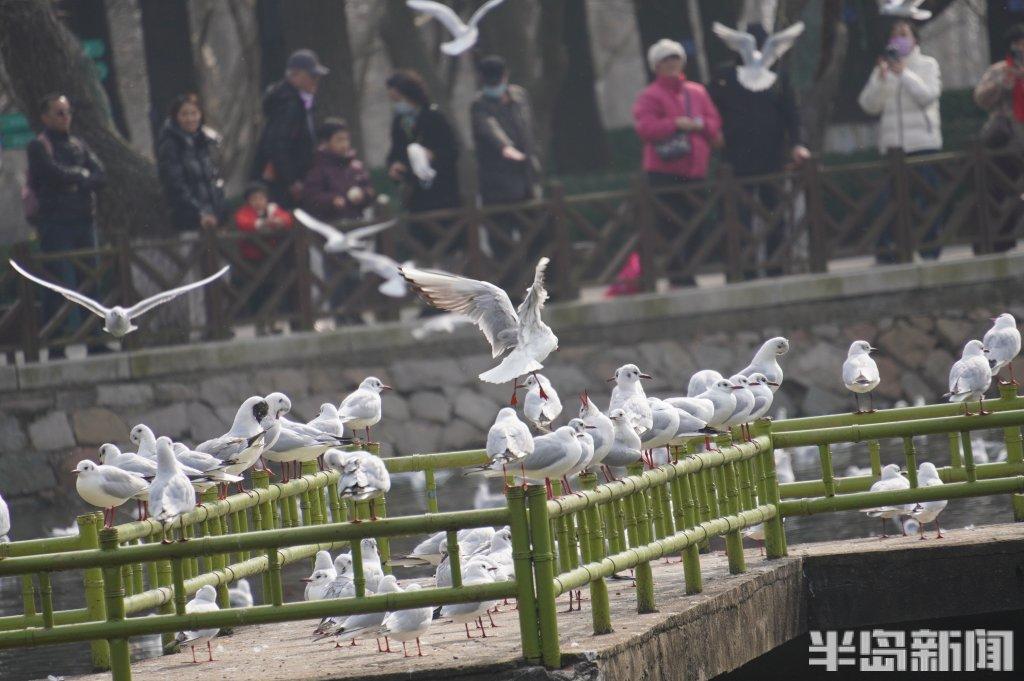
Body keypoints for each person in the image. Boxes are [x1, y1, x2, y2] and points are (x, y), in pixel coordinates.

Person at [709, 24, 810, 279]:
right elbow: (710, 108)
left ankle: (776, 267)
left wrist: (798, 144)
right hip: (737, 158)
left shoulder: (778, 78)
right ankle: (744, 271)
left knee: (774, 215)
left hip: (771, 156)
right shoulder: (725, 76)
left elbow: (792, 114)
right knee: (738, 218)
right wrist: (713, 132)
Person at [631, 38, 722, 287]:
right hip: (663, 171)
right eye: (665, 60)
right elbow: (645, 128)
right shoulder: (649, 96)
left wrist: (699, 125)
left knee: (697, 223)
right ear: (656, 66)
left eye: (675, 58)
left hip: (696, 170)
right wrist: (675, 124)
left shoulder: (697, 92)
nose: (671, 63)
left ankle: (688, 271)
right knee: (670, 226)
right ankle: (677, 276)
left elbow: (714, 121)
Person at [26, 93, 106, 359]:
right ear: (45, 117)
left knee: (91, 281)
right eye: (59, 113)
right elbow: (51, 173)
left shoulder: (79, 144)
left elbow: (100, 174)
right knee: (57, 283)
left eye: (68, 112)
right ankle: (56, 344)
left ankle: (95, 339)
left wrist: (79, 180)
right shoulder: (38, 146)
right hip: (55, 223)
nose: (65, 117)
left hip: (83, 220)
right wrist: (80, 176)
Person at [858, 20, 942, 262]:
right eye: (895, 35)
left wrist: (904, 73)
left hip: (922, 144)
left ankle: (929, 250)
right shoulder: (884, 68)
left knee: (926, 201)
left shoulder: (927, 64)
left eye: (904, 34)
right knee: (888, 203)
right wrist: (881, 79)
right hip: (893, 146)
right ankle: (888, 252)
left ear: (915, 39)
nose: (899, 39)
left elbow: (927, 96)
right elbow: (869, 105)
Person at [252, 49, 329, 207]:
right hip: (285, 186)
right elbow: (278, 144)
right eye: (312, 76)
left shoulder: (301, 101)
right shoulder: (288, 104)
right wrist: (292, 180)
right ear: (295, 75)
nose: (316, 80)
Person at [973, 23, 1024, 254]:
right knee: (1003, 189)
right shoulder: (1000, 70)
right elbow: (980, 99)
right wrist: (1003, 84)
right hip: (1006, 139)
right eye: (1017, 44)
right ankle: (1002, 238)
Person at [385, 70, 460, 214]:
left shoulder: (434, 117)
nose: (397, 105)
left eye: (398, 99)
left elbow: (452, 150)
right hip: (415, 195)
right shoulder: (399, 122)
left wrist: (433, 155)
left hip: (442, 193)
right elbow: (395, 152)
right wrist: (394, 165)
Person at [470, 55, 540, 206]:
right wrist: (504, 146)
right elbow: (488, 126)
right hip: (498, 185)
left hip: (528, 176)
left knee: (535, 216)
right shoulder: (479, 104)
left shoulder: (520, 96)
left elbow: (530, 126)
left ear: (505, 75)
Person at [156, 94, 226, 232]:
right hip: (188, 218)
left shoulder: (206, 141)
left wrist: (218, 211)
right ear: (176, 117)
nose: (190, 119)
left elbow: (214, 179)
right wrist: (199, 214)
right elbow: (175, 185)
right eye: (184, 114)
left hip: (213, 217)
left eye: (194, 113)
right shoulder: (170, 145)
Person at [234, 182, 294, 331]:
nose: (258, 202)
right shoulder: (244, 212)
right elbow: (243, 223)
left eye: (261, 198)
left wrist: (279, 222)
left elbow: (286, 218)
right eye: (254, 199)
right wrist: (261, 224)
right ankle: (260, 324)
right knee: (257, 291)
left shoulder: (273, 210)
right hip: (252, 259)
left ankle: (273, 322)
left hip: (272, 257)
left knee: (274, 288)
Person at [301, 118, 375, 221]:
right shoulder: (318, 169)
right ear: (325, 143)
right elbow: (311, 198)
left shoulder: (355, 167)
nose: (345, 145)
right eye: (339, 140)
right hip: (331, 224)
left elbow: (369, 190)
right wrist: (332, 200)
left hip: (357, 222)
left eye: (346, 139)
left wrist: (363, 195)